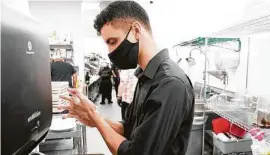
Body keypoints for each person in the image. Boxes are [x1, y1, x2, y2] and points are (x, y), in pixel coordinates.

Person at [58, 1, 195, 155]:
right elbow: (130, 128)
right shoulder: (145, 77)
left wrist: (95, 116)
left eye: (113, 42)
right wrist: (96, 119)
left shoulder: (170, 84)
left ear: (136, 31)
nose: (110, 52)